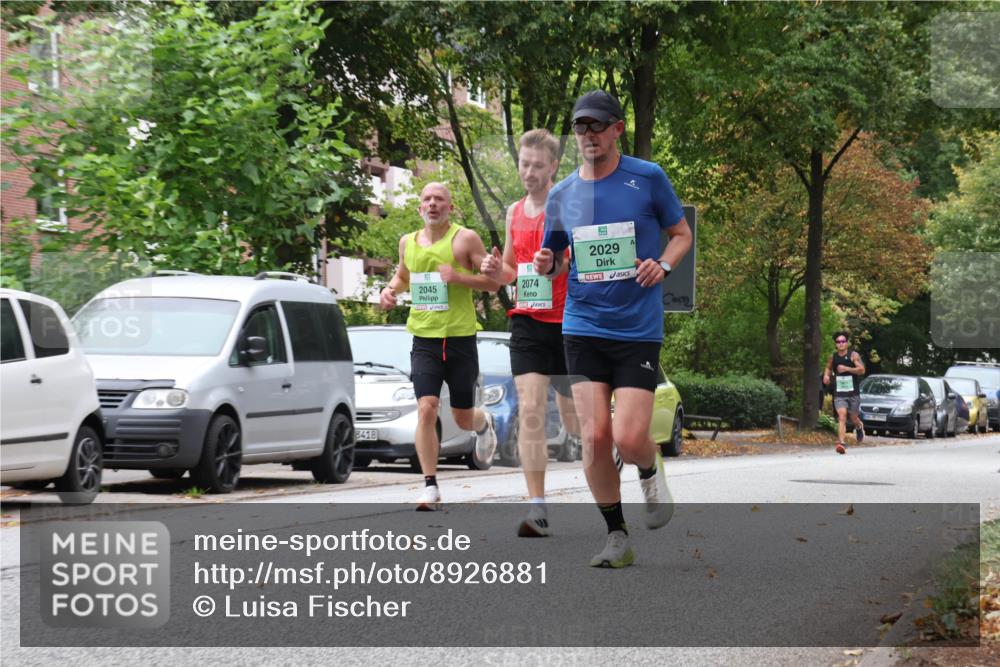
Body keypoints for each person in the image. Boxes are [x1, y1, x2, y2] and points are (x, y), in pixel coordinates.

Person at [532, 90, 693, 567]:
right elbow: (557, 262)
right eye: (581, 128)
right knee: (596, 438)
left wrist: (663, 266)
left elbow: (680, 235)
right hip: (582, 324)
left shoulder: (647, 178)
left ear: (618, 129)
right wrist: (546, 263)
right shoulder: (562, 194)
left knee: (627, 437)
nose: (588, 136)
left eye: (597, 127)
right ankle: (616, 535)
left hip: (638, 327)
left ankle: (649, 464)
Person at [480, 128, 581, 538]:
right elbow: (509, 269)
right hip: (527, 321)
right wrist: (494, 273)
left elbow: (578, 263)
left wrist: (554, 263)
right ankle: (537, 508)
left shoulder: (570, 206)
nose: (529, 172)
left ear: (554, 166)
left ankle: (608, 447)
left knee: (576, 423)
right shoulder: (513, 212)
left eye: (538, 165)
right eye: (524, 164)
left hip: (570, 322)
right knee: (533, 410)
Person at [379, 182, 499, 510]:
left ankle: (483, 422)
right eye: (427, 200)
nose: (433, 204)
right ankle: (430, 486)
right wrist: (389, 290)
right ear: (420, 208)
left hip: (460, 339)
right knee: (426, 407)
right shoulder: (408, 243)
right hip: (425, 339)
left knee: (462, 418)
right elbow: (403, 276)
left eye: (439, 200)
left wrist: (459, 277)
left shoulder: (465, 239)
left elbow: (493, 283)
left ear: (450, 207)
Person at [823, 331, 865, 454]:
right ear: (836, 344)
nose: (840, 344)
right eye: (838, 342)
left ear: (847, 343)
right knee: (842, 416)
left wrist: (847, 368)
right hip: (840, 393)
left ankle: (859, 426)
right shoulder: (833, 357)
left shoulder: (853, 355)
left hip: (853, 393)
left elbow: (862, 370)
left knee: (853, 417)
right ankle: (842, 443)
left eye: (843, 341)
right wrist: (826, 376)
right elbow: (828, 368)